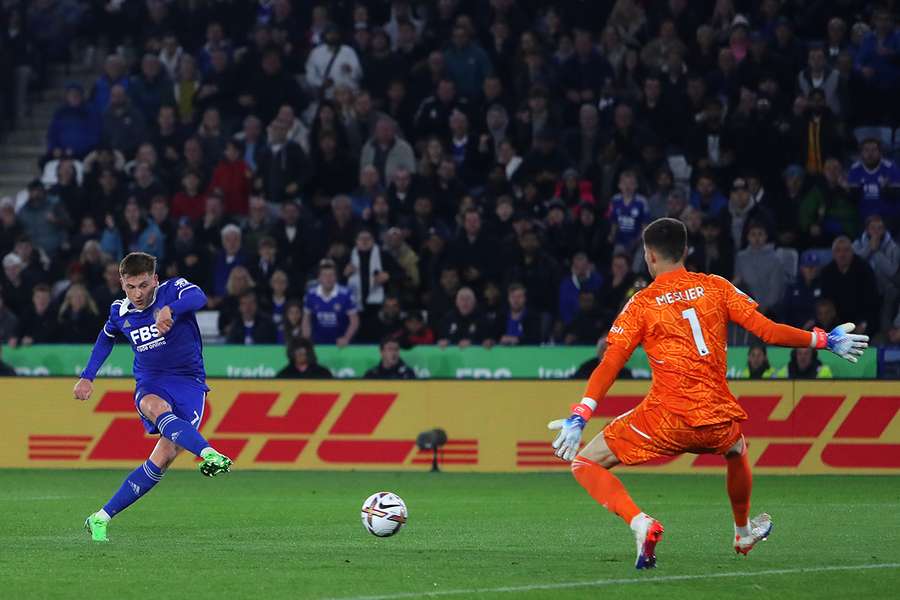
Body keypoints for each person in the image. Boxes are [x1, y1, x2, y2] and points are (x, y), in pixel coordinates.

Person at [548, 218, 867, 569]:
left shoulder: (642, 303)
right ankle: (743, 532)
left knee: (585, 462)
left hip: (665, 418)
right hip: (716, 416)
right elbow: (770, 332)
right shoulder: (716, 286)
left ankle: (641, 522)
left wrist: (581, 415)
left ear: (649, 255)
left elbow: (609, 364)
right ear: (685, 251)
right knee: (737, 449)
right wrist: (824, 340)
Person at [74, 252, 233, 543]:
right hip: (151, 382)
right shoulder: (119, 311)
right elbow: (106, 337)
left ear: (155, 279)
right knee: (155, 408)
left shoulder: (172, 290)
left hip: (190, 383)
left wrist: (170, 310)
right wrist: (88, 375)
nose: (138, 293)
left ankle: (100, 517)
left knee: (163, 457)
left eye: (144, 285)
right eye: (131, 286)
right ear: (122, 282)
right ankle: (209, 452)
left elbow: (199, 297)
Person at [302, 259, 359, 346]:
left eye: (331, 275)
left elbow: (354, 321)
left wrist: (346, 338)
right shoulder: (311, 294)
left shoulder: (346, 294)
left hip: (340, 344)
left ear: (336, 277)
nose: (328, 278)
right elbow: (306, 320)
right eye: (324, 275)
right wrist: (306, 339)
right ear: (319, 278)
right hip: (317, 344)